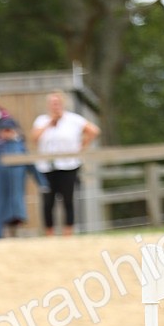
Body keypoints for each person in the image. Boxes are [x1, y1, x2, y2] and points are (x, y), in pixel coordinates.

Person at [31, 90, 100, 236]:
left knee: (68, 200)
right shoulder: (42, 120)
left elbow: (93, 131)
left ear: (63, 104)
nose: (55, 106)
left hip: (68, 165)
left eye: (57, 103)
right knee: (48, 202)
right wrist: (50, 122)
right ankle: (49, 234)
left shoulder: (73, 119)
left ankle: (68, 232)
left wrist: (82, 147)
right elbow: (35, 138)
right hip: (47, 167)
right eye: (52, 103)